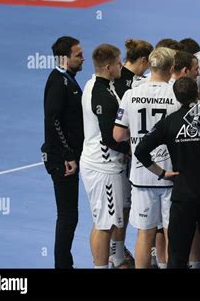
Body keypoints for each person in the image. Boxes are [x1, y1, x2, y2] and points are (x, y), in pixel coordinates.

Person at [135, 77, 200, 268]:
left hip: (184, 195)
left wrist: (162, 173)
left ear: (176, 97)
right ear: (197, 92)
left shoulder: (169, 122)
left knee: (177, 255)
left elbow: (140, 151)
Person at [113, 47, 180, 268]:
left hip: (142, 175)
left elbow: (118, 134)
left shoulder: (131, 94)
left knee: (145, 233)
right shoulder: (176, 94)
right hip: (171, 174)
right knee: (172, 233)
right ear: (171, 68)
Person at [80, 44, 131, 268]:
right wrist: (134, 150)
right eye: (119, 62)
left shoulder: (96, 84)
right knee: (104, 225)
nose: (122, 65)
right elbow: (110, 139)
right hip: (103, 167)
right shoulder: (102, 94)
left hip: (104, 165)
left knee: (103, 221)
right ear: (109, 67)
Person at [41, 36, 84, 269]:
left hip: (68, 158)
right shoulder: (58, 83)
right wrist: (67, 154)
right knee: (67, 216)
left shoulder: (67, 79)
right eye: (78, 55)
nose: (83, 58)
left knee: (70, 215)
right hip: (62, 161)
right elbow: (53, 119)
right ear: (64, 58)